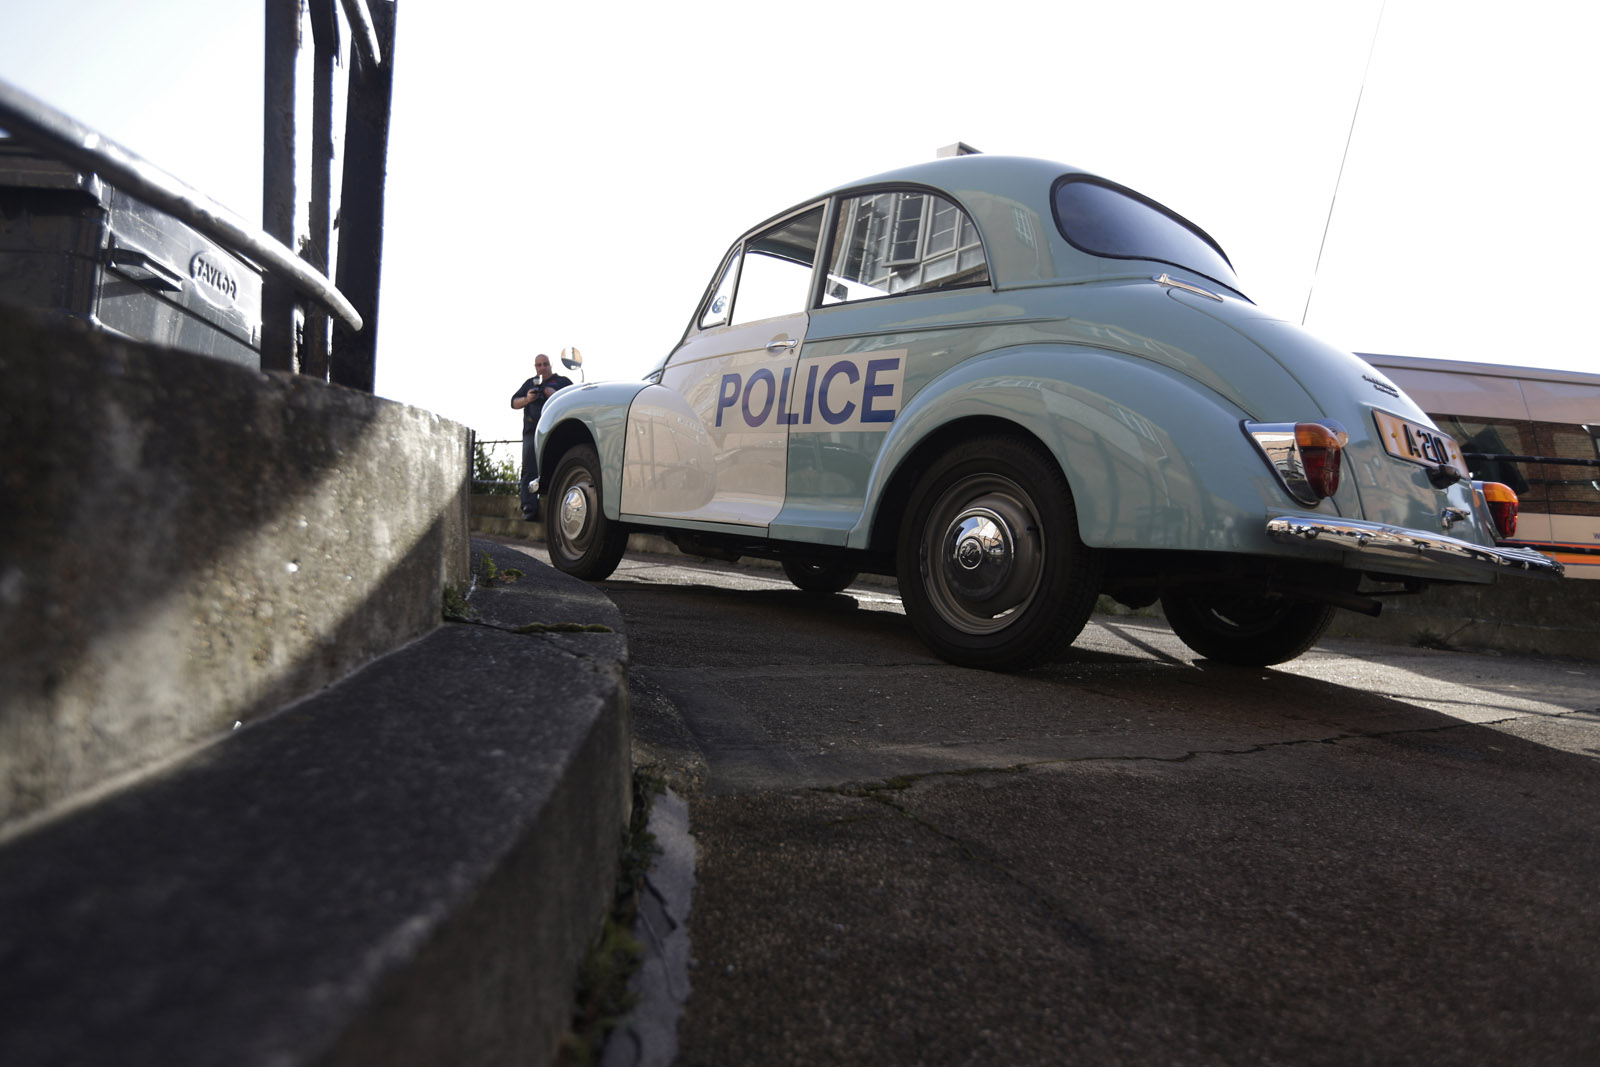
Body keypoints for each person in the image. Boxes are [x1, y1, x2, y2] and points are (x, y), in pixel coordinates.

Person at [510, 353, 572, 521]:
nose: (542, 367)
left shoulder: (562, 382)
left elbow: (574, 399)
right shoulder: (530, 383)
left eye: (545, 364)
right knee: (529, 469)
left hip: (556, 431)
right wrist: (527, 399)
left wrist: (554, 394)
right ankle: (529, 508)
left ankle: (560, 507)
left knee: (559, 468)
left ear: (550, 365)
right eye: (539, 365)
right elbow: (513, 403)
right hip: (532, 431)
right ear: (535, 367)